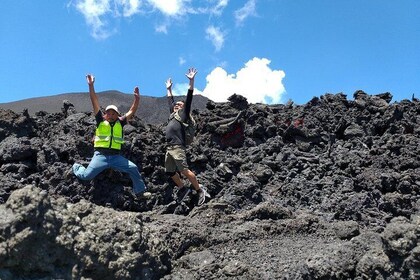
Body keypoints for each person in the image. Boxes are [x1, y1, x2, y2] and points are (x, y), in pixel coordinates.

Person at [67, 74, 151, 199]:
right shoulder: (100, 121)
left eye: (114, 113)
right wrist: (91, 86)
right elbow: (94, 101)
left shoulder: (120, 122)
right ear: (105, 114)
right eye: (109, 113)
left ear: (117, 115)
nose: (111, 115)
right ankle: (76, 167)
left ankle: (140, 192)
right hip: (100, 156)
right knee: (86, 176)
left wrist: (137, 99)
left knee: (133, 168)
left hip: (116, 157)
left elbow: (132, 111)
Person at [165, 68, 210, 205]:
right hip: (169, 148)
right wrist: (168, 89)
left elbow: (189, 98)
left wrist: (191, 81)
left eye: (180, 105)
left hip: (178, 147)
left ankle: (200, 190)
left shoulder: (183, 115)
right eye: (176, 105)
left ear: (183, 108)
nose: (176, 105)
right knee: (170, 172)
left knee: (184, 170)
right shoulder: (173, 115)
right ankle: (183, 188)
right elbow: (170, 101)